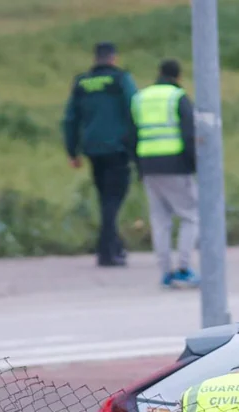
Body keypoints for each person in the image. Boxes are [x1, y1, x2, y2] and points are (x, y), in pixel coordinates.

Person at [63, 42, 138, 268]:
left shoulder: (82, 83)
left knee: (105, 198)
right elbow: (135, 109)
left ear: (96, 58)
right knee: (113, 200)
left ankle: (114, 245)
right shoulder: (120, 80)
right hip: (117, 148)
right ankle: (106, 251)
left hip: (93, 149)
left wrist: (72, 150)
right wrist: (136, 148)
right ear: (113, 58)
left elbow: (70, 119)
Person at [132, 58, 199, 291]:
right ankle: (184, 268)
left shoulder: (140, 98)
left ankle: (165, 273)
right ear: (178, 77)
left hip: (148, 166)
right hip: (176, 165)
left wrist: (139, 168)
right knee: (190, 216)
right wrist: (195, 165)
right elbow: (189, 134)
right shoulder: (177, 97)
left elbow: (131, 135)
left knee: (160, 222)